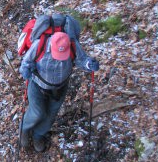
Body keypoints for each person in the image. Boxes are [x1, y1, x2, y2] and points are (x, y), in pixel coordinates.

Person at [19, 14, 100, 153]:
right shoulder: (40, 44)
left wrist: (90, 64)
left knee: (51, 114)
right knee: (37, 112)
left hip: (60, 87)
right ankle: (24, 130)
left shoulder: (72, 44)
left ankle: (39, 135)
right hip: (38, 84)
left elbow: (82, 60)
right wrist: (26, 71)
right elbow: (25, 63)